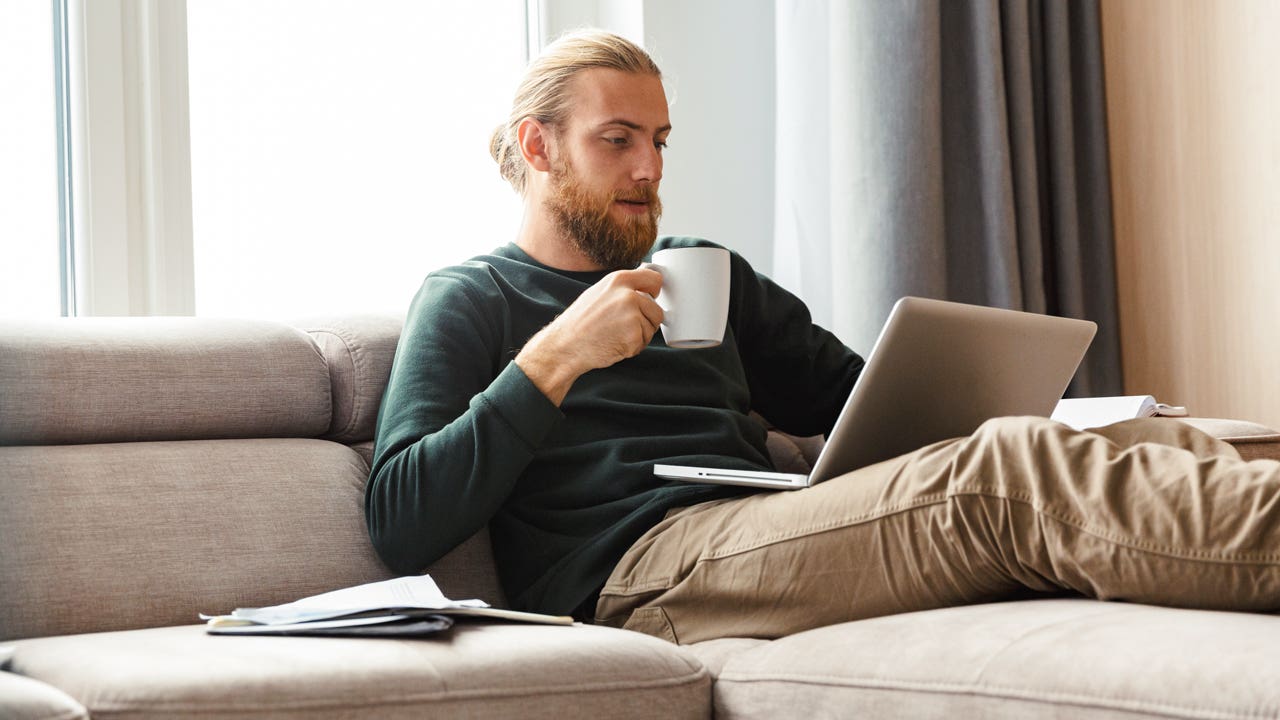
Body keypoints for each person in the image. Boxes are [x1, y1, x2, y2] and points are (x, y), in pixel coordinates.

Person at [366, 29, 1280, 644]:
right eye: (617, 140)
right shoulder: (472, 297)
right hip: (639, 574)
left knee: (1145, 437)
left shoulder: (701, 268)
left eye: (660, 140)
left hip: (763, 525)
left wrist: (982, 399)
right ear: (538, 148)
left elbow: (859, 399)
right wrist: (556, 356)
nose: (649, 168)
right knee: (1004, 473)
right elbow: (404, 518)